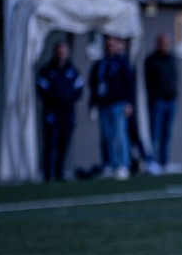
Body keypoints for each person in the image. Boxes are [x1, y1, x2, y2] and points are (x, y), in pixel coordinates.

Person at [88, 35, 136, 180]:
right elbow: (94, 85)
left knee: (120, 135)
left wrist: (129, 102)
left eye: (112, 45)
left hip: (118, 103)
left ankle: (123, 164)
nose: (109, 47)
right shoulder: (100, 64)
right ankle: (110, 164)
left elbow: (129, 83)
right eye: (107, 45)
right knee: (107, 137)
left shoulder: (122, 62)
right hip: (104, 104)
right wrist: (92, 104)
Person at [35, 41, 84, 182]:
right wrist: (55, 99)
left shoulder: (72, 70)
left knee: (64, 143)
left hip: (67, 112)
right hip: (51, 111)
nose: (61, 55)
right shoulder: (47, 70)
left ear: (67, 53)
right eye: (59, 52)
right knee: (50, 143)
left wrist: (67, 99)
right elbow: (41, 89)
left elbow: (79, 90)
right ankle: (47, 174)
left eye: (63, 52)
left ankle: (60, 172)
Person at [145, 33, 180, 174]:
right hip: (157, 101)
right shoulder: (152, 60)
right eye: (163, 43)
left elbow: (174, 77)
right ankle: (152, 162)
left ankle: (165, 162)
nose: (165, 46)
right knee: (155, 133)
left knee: (167, 134)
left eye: (167, 43)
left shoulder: (171, 59)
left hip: (170, 100)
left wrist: (175, 94)